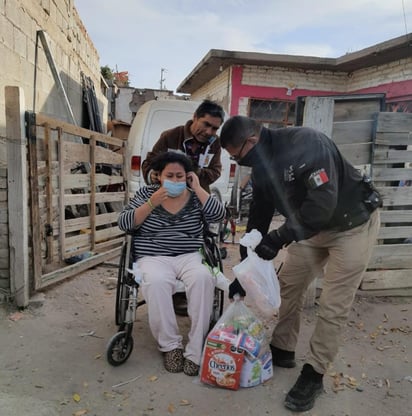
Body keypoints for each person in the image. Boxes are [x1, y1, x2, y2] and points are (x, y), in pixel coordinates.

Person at [219, 116, 381, 412]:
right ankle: (283, 348)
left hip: (351, 226)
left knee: (333, 304)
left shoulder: (306, 144)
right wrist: (247, 267)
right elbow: (258, 216)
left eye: (236, 155)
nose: (237, 161)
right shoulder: (261, 169)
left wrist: (279, 238)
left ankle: (314, 373)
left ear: (251, 142)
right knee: (289, 287)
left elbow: (321, 206)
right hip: (309, 229)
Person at [118, 152, 225, 376]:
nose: (175, 181)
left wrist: (198, 187)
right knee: (155, 282)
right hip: (153, 256)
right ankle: (171, 347)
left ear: (188, 176)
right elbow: (124, 222)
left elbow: (218, 216)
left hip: (190, 255)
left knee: (204, 277)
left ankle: (195, 350)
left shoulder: (194, 195)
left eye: (180, 176)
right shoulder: (146, 193)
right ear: (158, 176)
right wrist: (151, 203)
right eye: (170, 176)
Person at [141, 99, 225, 193]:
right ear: (195, 117)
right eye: (206, 124)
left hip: (197, 199)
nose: (208, 132)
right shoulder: (170, 136)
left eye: (214, 128)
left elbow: (215, 172)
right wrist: (152, 175)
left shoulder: (215, 143)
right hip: (167, 197)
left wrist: (193, 172)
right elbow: (149, 163)